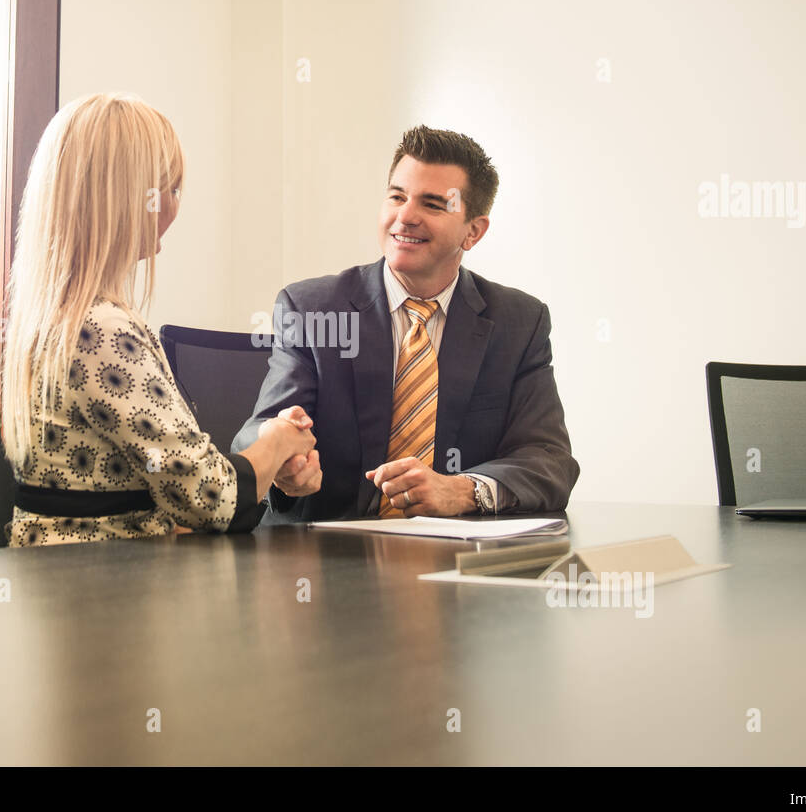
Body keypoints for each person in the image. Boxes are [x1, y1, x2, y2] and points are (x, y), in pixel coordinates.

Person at [0, 93, 314, 544]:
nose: (174, 206)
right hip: (99, 589)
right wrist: (281, 438)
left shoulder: (62, 320)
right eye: (170, 189)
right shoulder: (101, 331)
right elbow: (213, 500)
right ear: (128, 198)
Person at [232, 125, 579, 522]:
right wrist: (281, 459)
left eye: (432, 205)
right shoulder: (313, 309)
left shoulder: (518, 322)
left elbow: (549, 461)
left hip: (453, 566)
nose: (405, 216)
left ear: (474, 231)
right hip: (326, 559)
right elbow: (253, 431)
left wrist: (462, 490)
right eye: (396, 196)